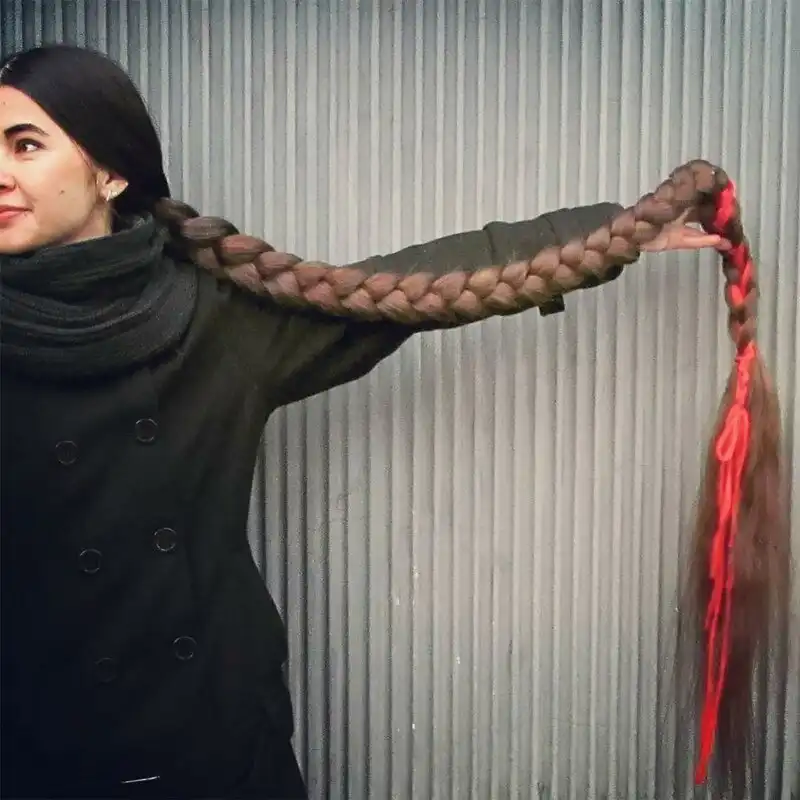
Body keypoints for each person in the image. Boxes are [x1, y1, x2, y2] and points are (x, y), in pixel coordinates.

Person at [0, 44, 729, 799]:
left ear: (110, 172)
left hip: (220, 747)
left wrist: (607, 237)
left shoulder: (210, 319)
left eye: (25, 145)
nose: (0, 172)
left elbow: (407, 284)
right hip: (41, 761)